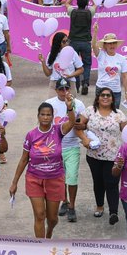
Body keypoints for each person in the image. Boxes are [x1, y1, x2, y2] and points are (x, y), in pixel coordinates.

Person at [9, 100, 77, 239]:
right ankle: (41, 248)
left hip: (55, 179)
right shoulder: (31, 135)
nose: (45, 117)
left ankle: (49, 233)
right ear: (38, 116)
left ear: (52, 116)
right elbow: (23, 159)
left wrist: (70, 108)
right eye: (43, 114)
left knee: (52, 219)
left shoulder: (58, 130)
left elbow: (71, 122)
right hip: (34, 179)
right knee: (40, 215)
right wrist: (14, 182)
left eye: (48, 115)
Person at [79, 86, 127, 225]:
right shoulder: (89, 111)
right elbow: (78, 126)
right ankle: (99, 206)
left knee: (111, 183)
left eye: (108, 95)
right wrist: (84, 139)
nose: (105, 97)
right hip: (94, 155)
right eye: (102, 95)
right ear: (98, 97)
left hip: (113, 156)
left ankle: (113, 212)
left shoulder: (119, 114)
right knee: (98, 182)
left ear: (113, 99)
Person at [45, 78, 86, 223]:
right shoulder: (49, 103)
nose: (64, 92)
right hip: (55, 147)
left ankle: (72, 206)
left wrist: (72, 112)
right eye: (61, 89)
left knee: (72, 177)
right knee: (60, 177)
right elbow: (45, 124)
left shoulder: (78, 104)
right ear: (56, 90)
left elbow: (81, 124)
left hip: (72, 145)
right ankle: (65, 201)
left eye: (66, 89)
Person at [95, 33, 127, 110]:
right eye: (109, 43)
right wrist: (95, 32)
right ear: (105, 45)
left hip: (115, 91)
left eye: (114, 43)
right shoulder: (101, 55)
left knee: (114, 113)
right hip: (101, 89)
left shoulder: (121, 58)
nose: (112, 45)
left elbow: (125, 77)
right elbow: (93, 45)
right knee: (99, 112)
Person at [68, 0, 94, 95]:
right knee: (87, 64)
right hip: (86, 42)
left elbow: (66, 3)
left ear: (77, 3)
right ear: (87, 3)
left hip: (73, 42)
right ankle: (86, 83)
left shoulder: (72, 12)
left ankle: (77, 85)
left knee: (75, 64)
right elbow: (96, 4)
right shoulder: (90, 12)